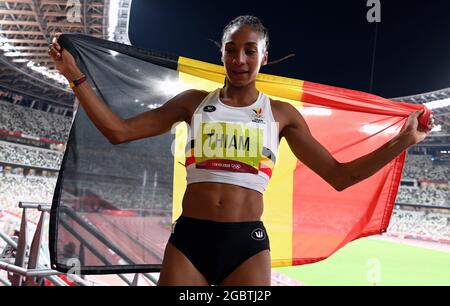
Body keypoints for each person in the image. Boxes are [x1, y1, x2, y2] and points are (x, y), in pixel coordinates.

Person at [48, 15, 433, 286]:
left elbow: (340, 176)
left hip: (246, 246)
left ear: (264, 56)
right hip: (189, 241)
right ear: (222, 54)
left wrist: (402, 140)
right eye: (232, 50)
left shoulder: (281, 115)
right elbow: (119, 131)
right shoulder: (192, 103)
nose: (240, 60)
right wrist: (75, 77)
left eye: (250, 51)